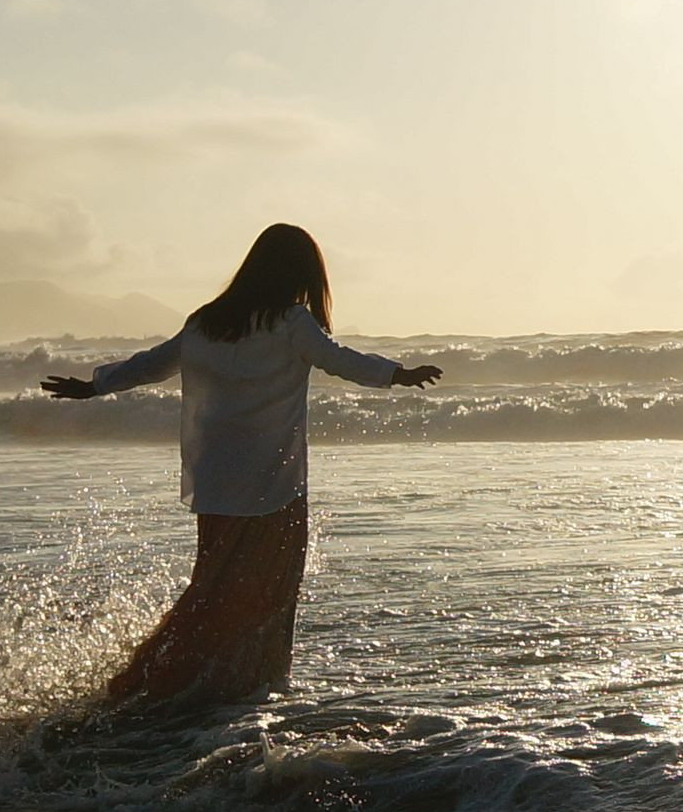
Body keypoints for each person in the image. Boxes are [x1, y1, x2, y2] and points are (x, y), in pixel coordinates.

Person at [37, 222, 439, 706]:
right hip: (272, 483)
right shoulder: (291, 322)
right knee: (268, 591)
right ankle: (231, 683)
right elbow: (337, 359)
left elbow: (151, 364)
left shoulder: (206, 321)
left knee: (210, 588)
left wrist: (95, 386)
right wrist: (397, 375)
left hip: (215, 481)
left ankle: (160, 677)